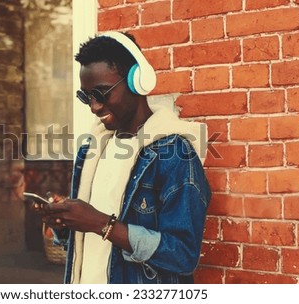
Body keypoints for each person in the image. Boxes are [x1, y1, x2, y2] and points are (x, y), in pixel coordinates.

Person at [37, 31, 211, 284]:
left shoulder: (175, 153)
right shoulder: (91, 149)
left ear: (137, 81)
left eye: (102, 93)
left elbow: (183, 254)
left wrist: (102, 224)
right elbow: (89, 243)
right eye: (87, 97)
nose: (95, 106)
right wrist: (66, 221)